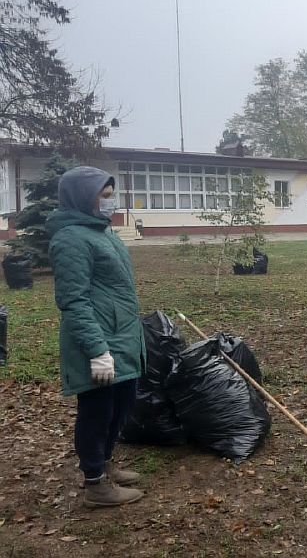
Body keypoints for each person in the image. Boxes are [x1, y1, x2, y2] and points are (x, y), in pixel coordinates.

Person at [46, 166, 146, 508]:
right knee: (97, 411)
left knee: (121, 405)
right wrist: (97, 350)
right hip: (98, 340)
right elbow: (73, 300)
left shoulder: (103, 232)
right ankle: (95, 484)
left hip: (120, 334)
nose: (111, 202)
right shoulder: (70, 238)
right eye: (104, 197)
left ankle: (105, 464)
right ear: (83, 198)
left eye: (111, 195)